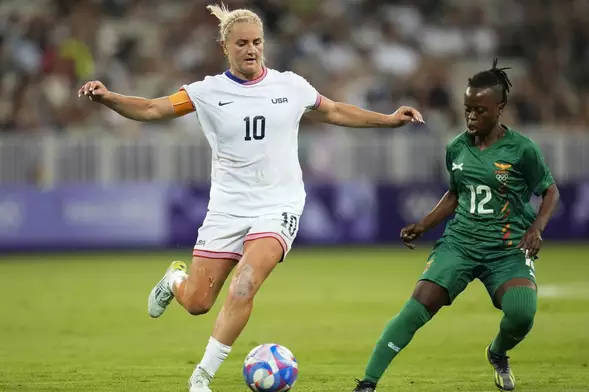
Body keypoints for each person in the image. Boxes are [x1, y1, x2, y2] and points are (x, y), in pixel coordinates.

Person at [78, 3, 423, 392]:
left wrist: (388, 119)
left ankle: (201, 378)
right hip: (227, 208)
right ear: (225, 46)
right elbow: (153, 108)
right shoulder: (206, 92)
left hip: (278, 206)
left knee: (244, 285)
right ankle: (175, 280)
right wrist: (108, 98)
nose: (251, 49)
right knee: (197, 302)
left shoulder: (290, 86)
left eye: (257, 42)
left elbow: (337, 111)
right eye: (242, 43)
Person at [352, 59, 560, 392]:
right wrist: (424, 225)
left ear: (500, 108)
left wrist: (536, 228)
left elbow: (550, 191)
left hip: (507, 249)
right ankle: (367, 384)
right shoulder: (457, 147)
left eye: (480, 110)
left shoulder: (523, 150)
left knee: (522, 313)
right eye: (467, 109)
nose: (471, 116)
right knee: (416, 307)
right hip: (461, 243)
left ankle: (498, 352)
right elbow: (455, 193)